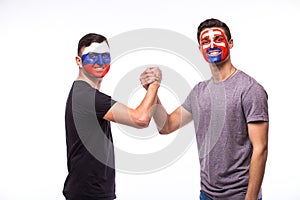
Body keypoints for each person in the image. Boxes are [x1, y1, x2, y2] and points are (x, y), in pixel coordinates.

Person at [140, 18, 269, 200]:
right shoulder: (199, 91)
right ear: (200, 49)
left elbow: (261, 148)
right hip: (206, 194)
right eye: (206, 41)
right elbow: (166, 126)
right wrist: (152, 91)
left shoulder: (249, 89)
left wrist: (251, 198)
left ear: (230, 43)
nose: (212, 45)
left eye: (218, 38)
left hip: (239, 195)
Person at [63, 33, 161, 200]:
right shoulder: (87, 97)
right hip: (88, 195)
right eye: (92, 56)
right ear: (79, 61)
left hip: (89, 192)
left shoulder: (85, 94)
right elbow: (141, 118)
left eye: (105, 56)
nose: (100, 62)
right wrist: (154, 85)